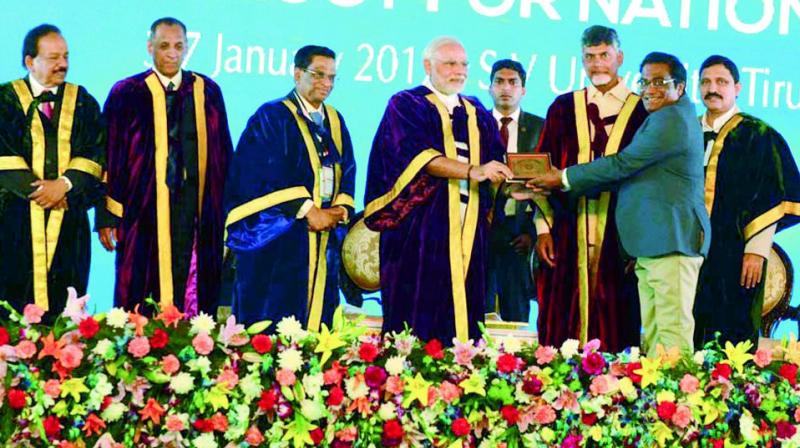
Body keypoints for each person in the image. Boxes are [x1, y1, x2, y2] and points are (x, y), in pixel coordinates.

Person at [528, 52, 710, 357]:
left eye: (659, 82)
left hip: (672, 240)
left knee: (672, 333)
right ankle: (659, 398)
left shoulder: (671, 119)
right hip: (654, 243)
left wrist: (564, 177)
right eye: (644, 81)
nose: (649, 89)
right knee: (655, 333)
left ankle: (678, 402)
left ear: (679, 87)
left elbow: (624, 163)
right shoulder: (662, 116)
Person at [364, 37, 512, 343]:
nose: (458, 71)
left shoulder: (476, 111)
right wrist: (474, 171)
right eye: (449, 63)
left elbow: (495, 161)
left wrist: (516, 183)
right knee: (418, 311)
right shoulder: (406, 104)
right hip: (419, 230)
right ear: (427, 65)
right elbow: (418, 157)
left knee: (464, 311)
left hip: (468, 227)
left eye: (463, 64)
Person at [97, 17, 232, 316]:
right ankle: (140, 350)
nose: (172, 53)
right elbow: (109, 155)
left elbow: (224, 154)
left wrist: (225, 212)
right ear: (150, 47)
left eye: (179, 46)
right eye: (164, 46)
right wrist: (107, 215)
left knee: (193, 282)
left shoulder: (208, 92)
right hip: (142, 211)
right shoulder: (126, 93)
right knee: (140, 287)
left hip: (194, 209)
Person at [532, 26, 647, 352]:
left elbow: (650, 181)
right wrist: (543, 229)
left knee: (620, 318)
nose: (597, 64)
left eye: (604, 56)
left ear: (619, 57)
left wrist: (641, 240)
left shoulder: (643, 112)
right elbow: (541, 170)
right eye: (590, 57)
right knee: (561, 324)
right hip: (567, 231)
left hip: (622, 236)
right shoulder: (562, 108)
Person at [224, 45, 355, 329]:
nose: (327, 84)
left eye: (332, 77)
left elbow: (348, 167)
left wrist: (340, 208)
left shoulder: (334, 119)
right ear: (297, 74)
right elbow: (260, 173)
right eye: (318, 75)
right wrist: (309, 211)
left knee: (321, 321)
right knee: (275, 318)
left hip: (324, 239)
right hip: (282, 236)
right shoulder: (272, 116)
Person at [694, 55, 800, 347]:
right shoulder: (685, 131)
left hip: (736, 253)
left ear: (737, 87)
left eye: (721, 82)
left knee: (732, 336)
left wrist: (756, 250)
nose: (712, 88)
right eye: (705, 82)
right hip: (687, 253)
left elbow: (772, 196)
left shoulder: (759, 135)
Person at [0, 24, 104, 319]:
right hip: (13, 220)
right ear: (30, 61)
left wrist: (65, 184)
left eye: (66, 57)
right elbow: (3, 154)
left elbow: (95, 151)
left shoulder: (83, 101)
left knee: (66, 306)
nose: (63, 64)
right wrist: (42, 192)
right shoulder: (4, 100)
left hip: (68, 221)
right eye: (54, 57)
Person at [485, 59, 543, 323]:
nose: (505, 88)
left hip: (520, 234)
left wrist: (533, 233)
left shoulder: (541, 128)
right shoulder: (476, 124)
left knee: (516, 313)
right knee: (477, 308)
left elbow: (546, 186)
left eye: (513, 82)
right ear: (489, 87)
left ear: (524, 90)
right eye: (499, 81)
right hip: (478, 231)